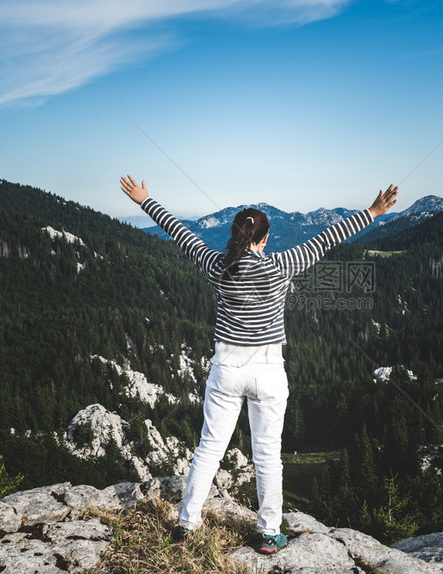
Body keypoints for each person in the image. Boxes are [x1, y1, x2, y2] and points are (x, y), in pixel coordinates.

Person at [120, 175, 398, 554]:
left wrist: (144, 201)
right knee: (268, 455)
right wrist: (374, 211)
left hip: (226, 369)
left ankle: (186, 527)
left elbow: (180, 234)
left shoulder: (216, 266)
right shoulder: (281, 265)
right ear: (264, 239)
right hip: (268, 371)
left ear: (233, 235)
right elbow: (328, 238)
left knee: (208, 450)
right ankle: (269, 534)